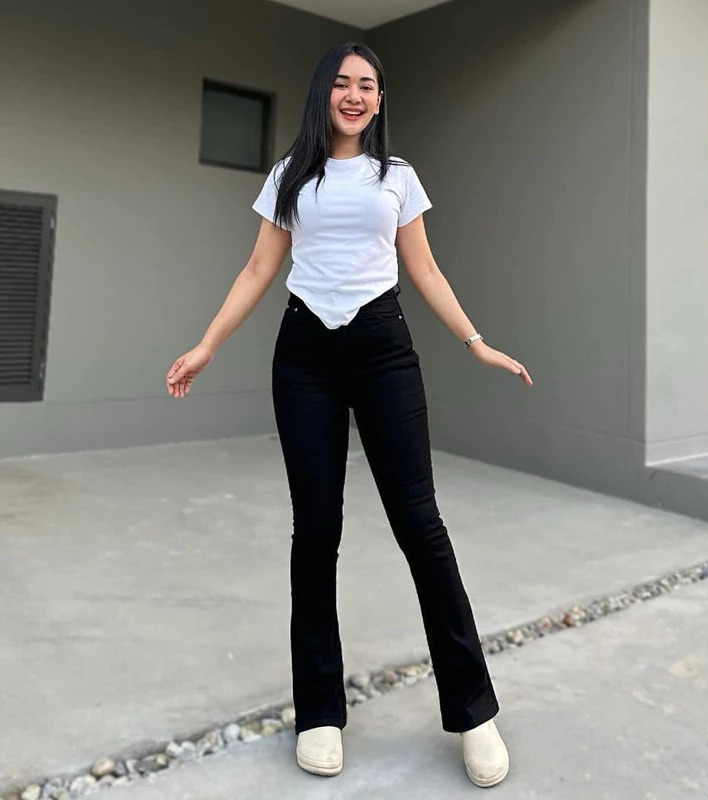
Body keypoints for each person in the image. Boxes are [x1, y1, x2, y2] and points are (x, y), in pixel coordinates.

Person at [165, 41, 531, 789]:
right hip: (304, 357)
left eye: (368, 84)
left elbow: (423, 267)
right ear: (323, 93)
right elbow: (259, 268)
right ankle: (320, 714)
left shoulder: (396, 176)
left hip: (383, 349)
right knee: (316, 533)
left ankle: (474, 712)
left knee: (421, 527)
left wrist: (476, 342)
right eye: (343, 83)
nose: (355, 94)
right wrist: (206, 345)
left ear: (380, 99)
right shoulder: (288, 176)